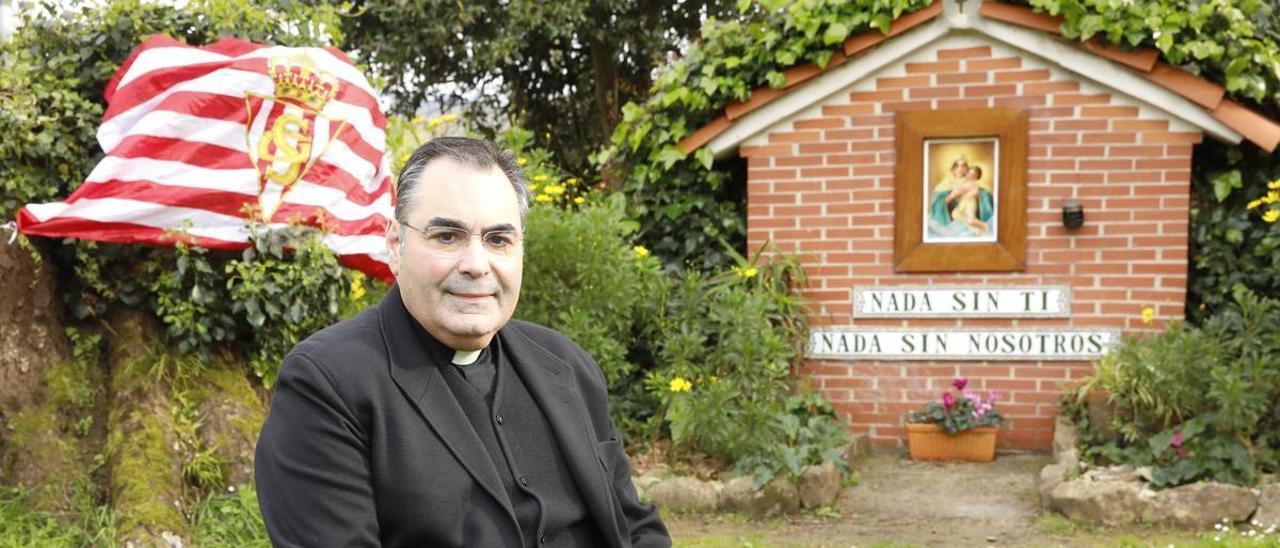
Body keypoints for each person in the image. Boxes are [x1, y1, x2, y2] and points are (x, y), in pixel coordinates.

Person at [254, 137, 671, 547]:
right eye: (447, 236)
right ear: (395, 244)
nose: (476, 265)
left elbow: (635, 527)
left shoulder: (568, 366)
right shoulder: (327, 384)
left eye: (498, 240)